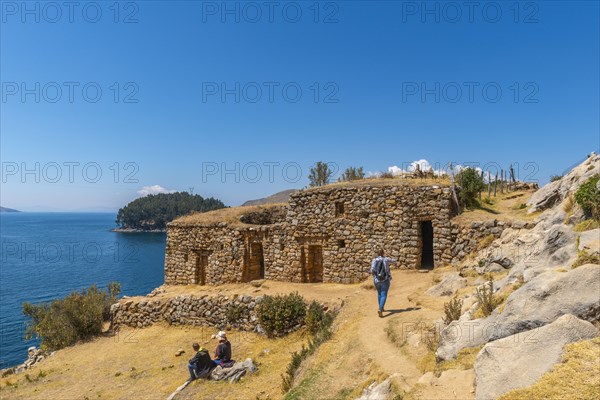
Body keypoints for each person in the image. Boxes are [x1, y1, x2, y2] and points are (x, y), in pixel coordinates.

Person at [370, 249, 396, 318]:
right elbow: (395, 261)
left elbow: (372, 270)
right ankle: (380, 309)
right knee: (383, 294)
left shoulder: (374, 260)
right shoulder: (386, 259)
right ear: (383, 253)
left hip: (376, 280)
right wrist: (388, 255)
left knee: (379, 293)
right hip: (385, 280)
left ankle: (381, 307)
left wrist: (376, 277)